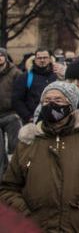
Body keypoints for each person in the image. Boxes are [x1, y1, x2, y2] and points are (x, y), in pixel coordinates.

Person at [0, 81, 79, 232]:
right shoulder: (28, 141)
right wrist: (25, 212)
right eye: (47, 101)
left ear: (71, 105)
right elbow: (8, 187)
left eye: (58, 100)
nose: (51, 105)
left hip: (76, 226)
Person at [11, 48, 57, 124]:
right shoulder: (25, 77)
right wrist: (28, 117)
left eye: (45, 57)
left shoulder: (57, 76)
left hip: (55, 119)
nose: (42, 60)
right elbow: (17, 99)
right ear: (34, 59)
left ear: (50, 59)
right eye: (39, 58)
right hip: (32, 120)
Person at [0, 48, 21, 178]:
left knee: (15, 147)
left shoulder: (16, 73)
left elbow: (20, 94)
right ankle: (2, 177)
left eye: (1, 55)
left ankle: (16, 174)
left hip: (11, 114)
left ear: (6, 57)